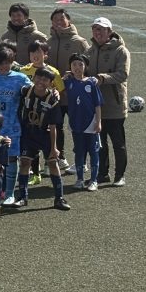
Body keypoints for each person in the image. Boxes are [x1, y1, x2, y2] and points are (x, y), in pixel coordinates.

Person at [13, 68, 70, 211]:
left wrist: (54, 148)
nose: (40, 82)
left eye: (45, 80)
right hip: (28, 134)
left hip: (45, 135)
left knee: (52, 164)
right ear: (33, 78)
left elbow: (53, 126)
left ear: (51, 83)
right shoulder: (25, 91)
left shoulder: (52, 100)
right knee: (25, 162)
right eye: (38, 78)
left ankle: (59, 198)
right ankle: (22, 197)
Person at [0, 46, 31, 205]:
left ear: (11, 62)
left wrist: (53, 91)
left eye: (6, 63)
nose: (3, 66)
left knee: (11, 158)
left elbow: (35, 90)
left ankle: (9, 194)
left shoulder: (20, 78)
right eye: (0, 63)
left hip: (12, 125)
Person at [85, 17, 129, 187]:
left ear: (109, 32)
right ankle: (102, 174)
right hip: (96, 107)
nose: (97, 32)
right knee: (100, 143)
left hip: (114, 106)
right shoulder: (90, 51)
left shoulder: (120, 51)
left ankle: (120, 175)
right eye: (95, 29)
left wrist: (102, 78)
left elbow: (122, 75)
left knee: (118, 144)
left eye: (101, 29)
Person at [66, 54, 102, 191]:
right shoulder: (68, 82)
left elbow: (98, 105)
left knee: (93, 152)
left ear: (85, 66)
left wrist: (98, 122)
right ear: (70, 67)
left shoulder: (91, 83)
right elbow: (54, 86)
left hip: (91, 123)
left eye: (80, 64)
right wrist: (64, 77)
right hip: (75, 123)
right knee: (79, 152)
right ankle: (80, 179)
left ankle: (93, 180)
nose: (77, 67)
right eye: (74, 64)